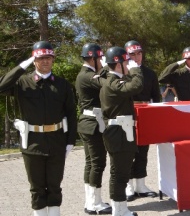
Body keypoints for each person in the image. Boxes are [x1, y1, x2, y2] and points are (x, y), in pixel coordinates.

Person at [0, 41, 77, 216]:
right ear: (34, 60)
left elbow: (71, 114)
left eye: (48, 58)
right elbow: (2, 85)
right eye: (41, 58)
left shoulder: (62, 84)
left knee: (55, 186)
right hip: (32, 143)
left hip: (57, 141)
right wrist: (23, 65)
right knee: (37, 188)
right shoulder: (22, 83)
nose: (45, 61)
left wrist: (70, 141)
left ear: (53, 60)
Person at [100, 47, 143, 216]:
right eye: (126, 62)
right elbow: (137, 85)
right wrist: (136, 69)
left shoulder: (113, 80)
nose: (128, 64)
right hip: (118, 133)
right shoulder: (113, 83)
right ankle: (119, 211)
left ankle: (121, 208)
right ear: (118, 64)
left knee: (121, 171)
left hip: (121, 131)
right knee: (119, 173)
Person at [75, 43, 112, 215]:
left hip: (89, 122)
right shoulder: (87, 75)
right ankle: (94, 202)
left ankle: (91, 200)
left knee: (91, 163)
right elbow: (106, 84)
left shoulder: (88, 74)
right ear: (93, 58)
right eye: (101, 58)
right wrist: (107, 66)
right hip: (93, 123)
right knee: (97, 163)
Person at [124, 41, 161, 201]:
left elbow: (156, 97)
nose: (137, 57)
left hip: (145, 113)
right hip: (127, 113)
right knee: (127, 151)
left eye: (139, 53)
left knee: (143, 150)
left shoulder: (150, 73)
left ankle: (141, 185)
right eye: (132, 54)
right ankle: (128, 186)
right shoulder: (122, 72)